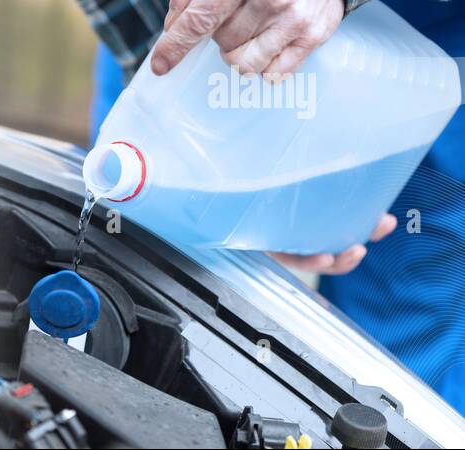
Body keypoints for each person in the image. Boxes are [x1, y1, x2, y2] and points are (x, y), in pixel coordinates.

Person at [82, 0, 465, 413]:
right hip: (178, 21)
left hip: (419, 67)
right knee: (129, 281)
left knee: (392, 377)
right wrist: (255, 196)